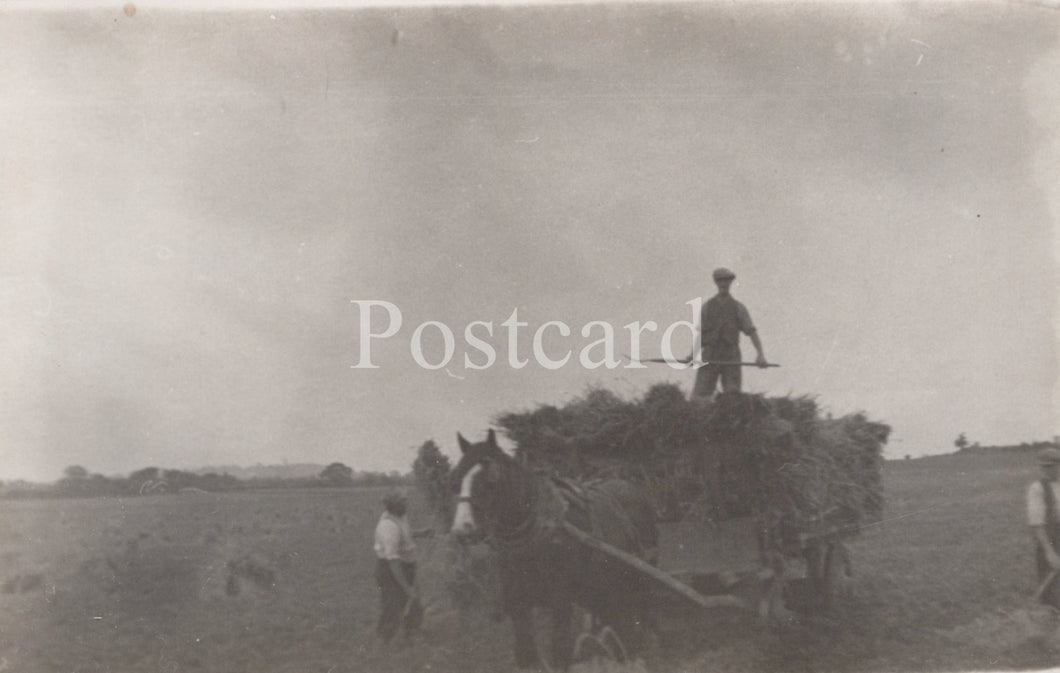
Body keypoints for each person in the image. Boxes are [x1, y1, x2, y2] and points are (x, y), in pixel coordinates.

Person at [688, 267, 768, 398]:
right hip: (709, 355)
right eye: (720, 280)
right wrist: (693, 354)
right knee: (700, 396)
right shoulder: (707, 307)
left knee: (732, 397)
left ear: (731, 282)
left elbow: (751, 332)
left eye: (726, 280)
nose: (723, 284)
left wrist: (760, 355)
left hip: (731, 355)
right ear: (716, 282)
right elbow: (700, 334)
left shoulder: (738, 307)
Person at [374, 490, 425, 642]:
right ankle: (384, 640)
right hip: (391, 569)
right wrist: (406, 587)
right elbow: (393, 560)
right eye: (402, 502)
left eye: (405, 501)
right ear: (393, 505)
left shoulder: (400, 517)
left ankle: (412, 632)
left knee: (415, 601)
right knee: (393, 606)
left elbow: (403, 534)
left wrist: (420, 533)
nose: (406, 504)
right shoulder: (388, 526)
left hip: (407, 566)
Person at [1027, 447, 1060, 608]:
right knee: (1051, 594)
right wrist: (1050, 553)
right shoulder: (1037, 488)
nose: (1046, 470)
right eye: (1043, 466)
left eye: (1050, 466)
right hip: (1050, 540)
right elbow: (1037, 524)